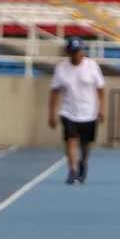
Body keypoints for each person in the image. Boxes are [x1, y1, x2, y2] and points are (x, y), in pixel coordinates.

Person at [49, 37, 106, 185]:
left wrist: (101, 109)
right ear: (68, 53)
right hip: (68, 112)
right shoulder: (61, 68)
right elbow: (54, 91)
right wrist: (52, 114)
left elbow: (100, 89)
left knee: (85, 145)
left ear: (82, 51)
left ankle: (82, 163)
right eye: (72, 52)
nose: (75, 55)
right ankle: (72, 170)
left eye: (78, 51)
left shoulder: (92, 66)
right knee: (70, 140)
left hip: (89, 113)